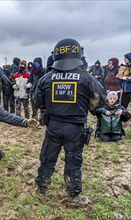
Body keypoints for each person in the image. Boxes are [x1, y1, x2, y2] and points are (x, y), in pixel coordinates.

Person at [34, 38, 106, 207]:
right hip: (75, 129)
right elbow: (98, 103)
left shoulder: (46, 78)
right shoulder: (86, 78)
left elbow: (37, 102)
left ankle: (41, 187)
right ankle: (73, 194)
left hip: (53, 126)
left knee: (47, 157)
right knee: (73, 161)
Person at [28, 57, 45, 124]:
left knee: (42, 106)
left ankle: (42, 120)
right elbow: (30, 80)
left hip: (41, 90)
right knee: (34, 106)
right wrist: (30, 84)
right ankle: (34, 119)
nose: (35, 64)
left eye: (37, 62)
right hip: (33, 91)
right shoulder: (32, 72)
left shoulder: (43, 71)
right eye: (34, 62)